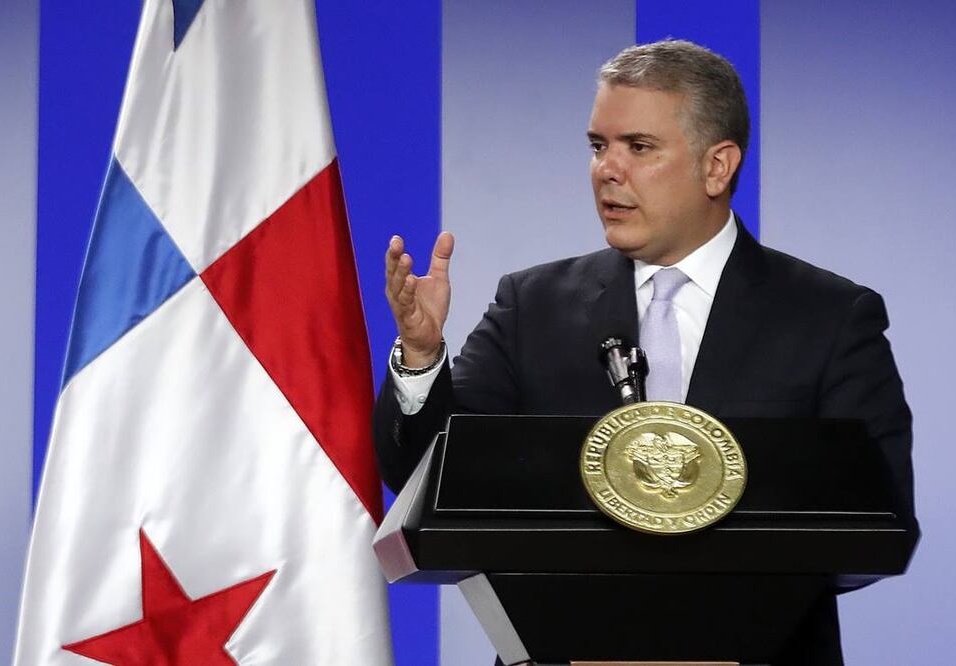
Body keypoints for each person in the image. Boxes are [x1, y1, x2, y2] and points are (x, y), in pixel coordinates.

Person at [374, 39, 913, 666]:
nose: (608, 169)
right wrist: (421, 353)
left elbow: (883, 516)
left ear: (718, 166)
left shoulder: (829, 317)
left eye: (639, 147)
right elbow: (421, 476)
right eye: (599, 146)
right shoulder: (533, 306)